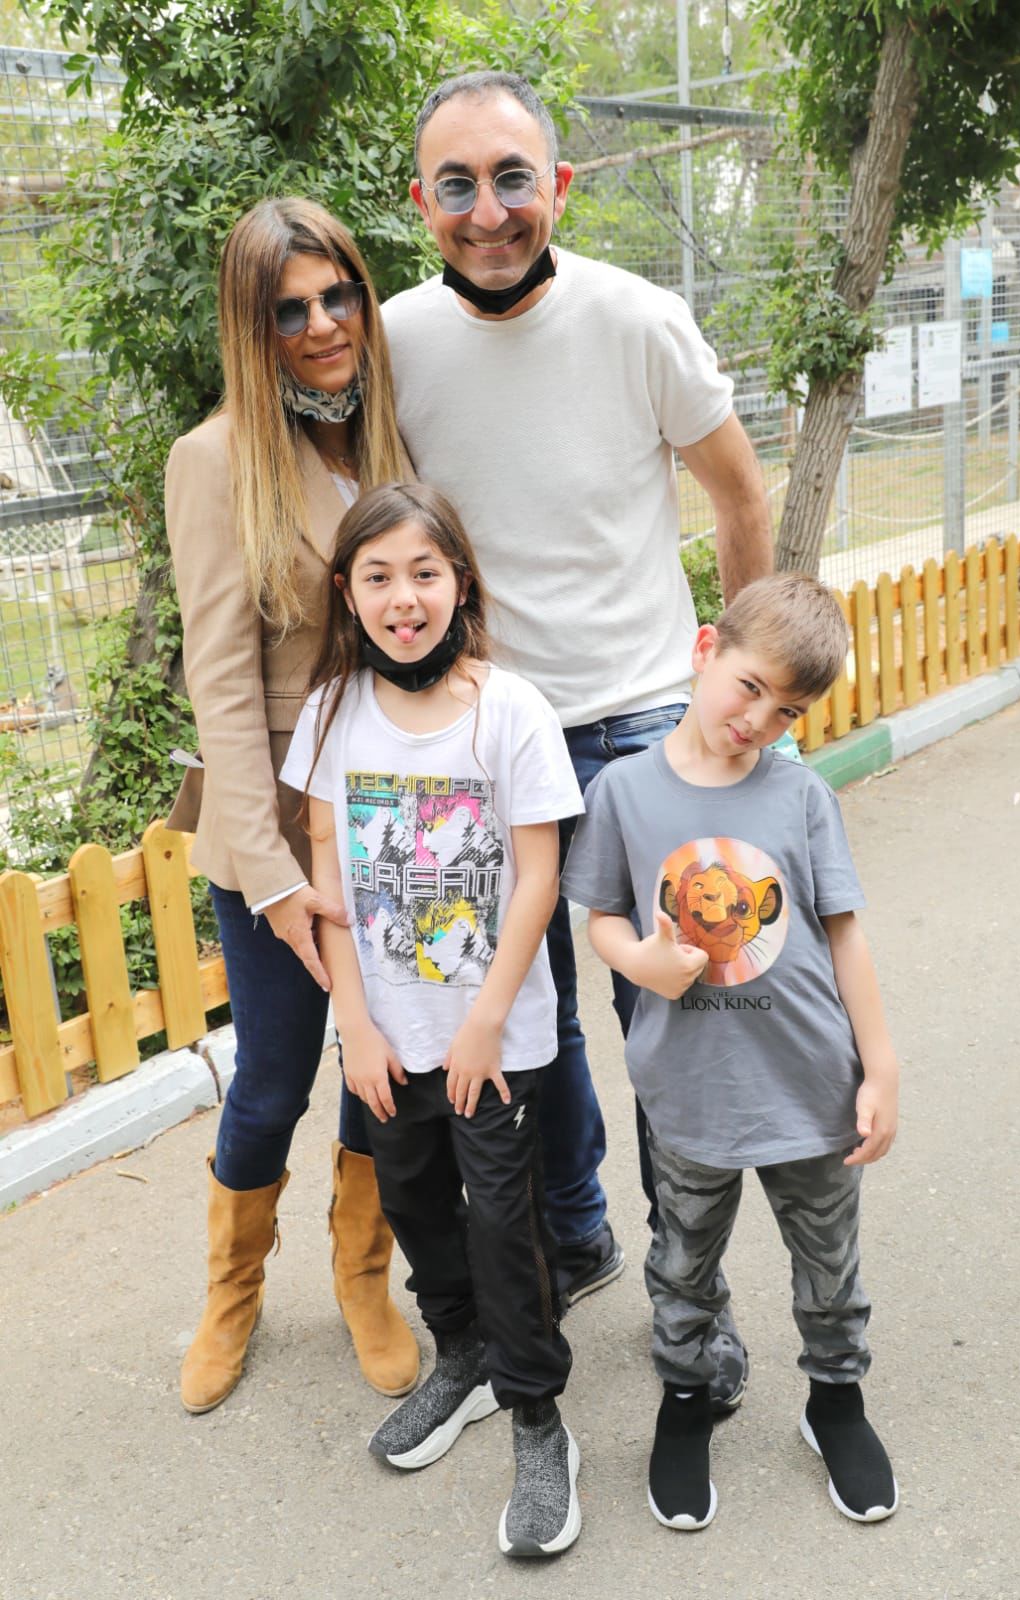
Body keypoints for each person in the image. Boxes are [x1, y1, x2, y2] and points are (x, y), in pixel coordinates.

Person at [380, 70, 775, 1338]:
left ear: (556, 184)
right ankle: (573, 1232)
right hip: (486, 736)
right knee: (518, 1019)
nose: (487, 210)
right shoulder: (391, 343)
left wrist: (741, 688)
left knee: (671, 1015)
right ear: (420, 202)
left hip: (642, 722)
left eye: (512, 178)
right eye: (456, 185)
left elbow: (738, 495)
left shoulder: (637, 319)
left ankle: (688, 1288)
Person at [280, 482, 582, 1559]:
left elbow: (538, 877)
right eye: (377, 577)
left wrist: (486, 1021)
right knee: (411, 1198)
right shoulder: (331, 712)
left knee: (503, 1223)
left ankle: (538, 1417)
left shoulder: (511, 710)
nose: (401, 598)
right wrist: (353, 1025)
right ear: (346, 591)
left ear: (460, 581)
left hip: (489, 1037)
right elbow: (328, 878)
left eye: (423, 572)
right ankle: (462, 1358)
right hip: (384, 1032)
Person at [561, 573, 900, 1531]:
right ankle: (684, 1403)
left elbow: (843, 934)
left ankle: (835, 1402)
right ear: (705, 649)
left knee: (828, 1265)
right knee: (681, 1267)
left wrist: (879, 1067)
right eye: (749, 687)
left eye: (785, 709)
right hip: (688, 1089)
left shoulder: (801, 795)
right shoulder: (623, 791)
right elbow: (602, 915)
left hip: (810, 1084)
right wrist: (640, 961)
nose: (756, 720)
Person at [165, 197, 419, 1414]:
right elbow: (220, 681)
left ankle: (362, 1273)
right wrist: (270, 877)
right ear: (251, 326)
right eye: (289, 309)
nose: (322, 324)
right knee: (274, 1070)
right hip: (271, 827)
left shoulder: (383, 437)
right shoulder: (216, 458)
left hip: (388, 815)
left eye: (337, 296)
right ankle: (232, 1292)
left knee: (386, 1054)